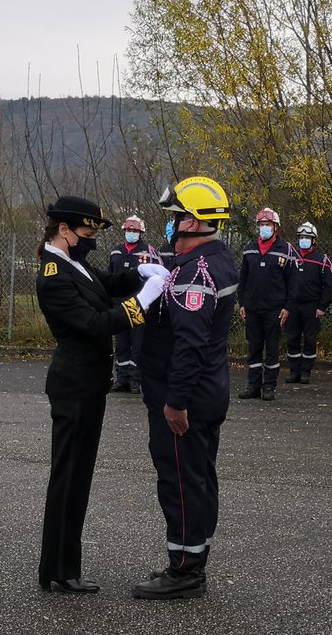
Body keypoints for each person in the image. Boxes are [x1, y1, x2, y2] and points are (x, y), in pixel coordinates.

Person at [35, 195, 166, 594]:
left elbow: (102, 285)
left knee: (77, 476)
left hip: (87, 385)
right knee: (69, 477)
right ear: (64, 230)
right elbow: (93, 323)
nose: (91, 239)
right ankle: (59, 569)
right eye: (87, 232)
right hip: (74, 387)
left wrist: (141, 272)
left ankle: (62, 565)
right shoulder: (53, 274)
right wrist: (142, 301)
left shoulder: (73, 264)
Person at [132, 176, 239, 600]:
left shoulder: (199, 271)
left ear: (193, 223)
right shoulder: (214, 259)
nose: (171, 225)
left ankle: (185, 570)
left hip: (187, 400)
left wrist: (175, 402)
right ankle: (193, 558)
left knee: (180, 480)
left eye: (176, 218)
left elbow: (190, 345)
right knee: (198, 477)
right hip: (208, 391)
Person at [237, 208, 296, 401]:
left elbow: (293, 282)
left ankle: (269, 386)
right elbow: (243, 278)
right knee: (254, 347)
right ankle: (253, 385)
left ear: (275, 227)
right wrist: (242, 303)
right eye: (261, 225)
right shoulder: (250, 248)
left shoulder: (286, 250)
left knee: (272, 348)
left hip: (275, 309)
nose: (264, 228)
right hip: (253, 307)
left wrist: (287, 307)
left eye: (268, 225)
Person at [108, 215, 162, 393]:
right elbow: (110, 277)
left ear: (141, 232)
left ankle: (135, 379)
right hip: (119, 304)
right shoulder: (116, 251)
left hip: (140, 303)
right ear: (124, 231)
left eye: (135, 231)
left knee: (138, 344)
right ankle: (121, 378)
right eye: (129, 230)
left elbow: (154, 279)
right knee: (121, 344)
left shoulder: (148, 252)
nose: (131, 233)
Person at [284, 221, 332, 384]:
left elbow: (328, 285)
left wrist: (322, 307)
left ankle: (306, 371)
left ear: (314, 240)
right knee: (292, 338)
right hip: (292, 306)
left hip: (312, 307)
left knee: (310, 339)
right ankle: (294, 371)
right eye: (301, 237)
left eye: (307, 237)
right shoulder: (291, 258)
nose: (304, 240)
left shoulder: (322, 260)